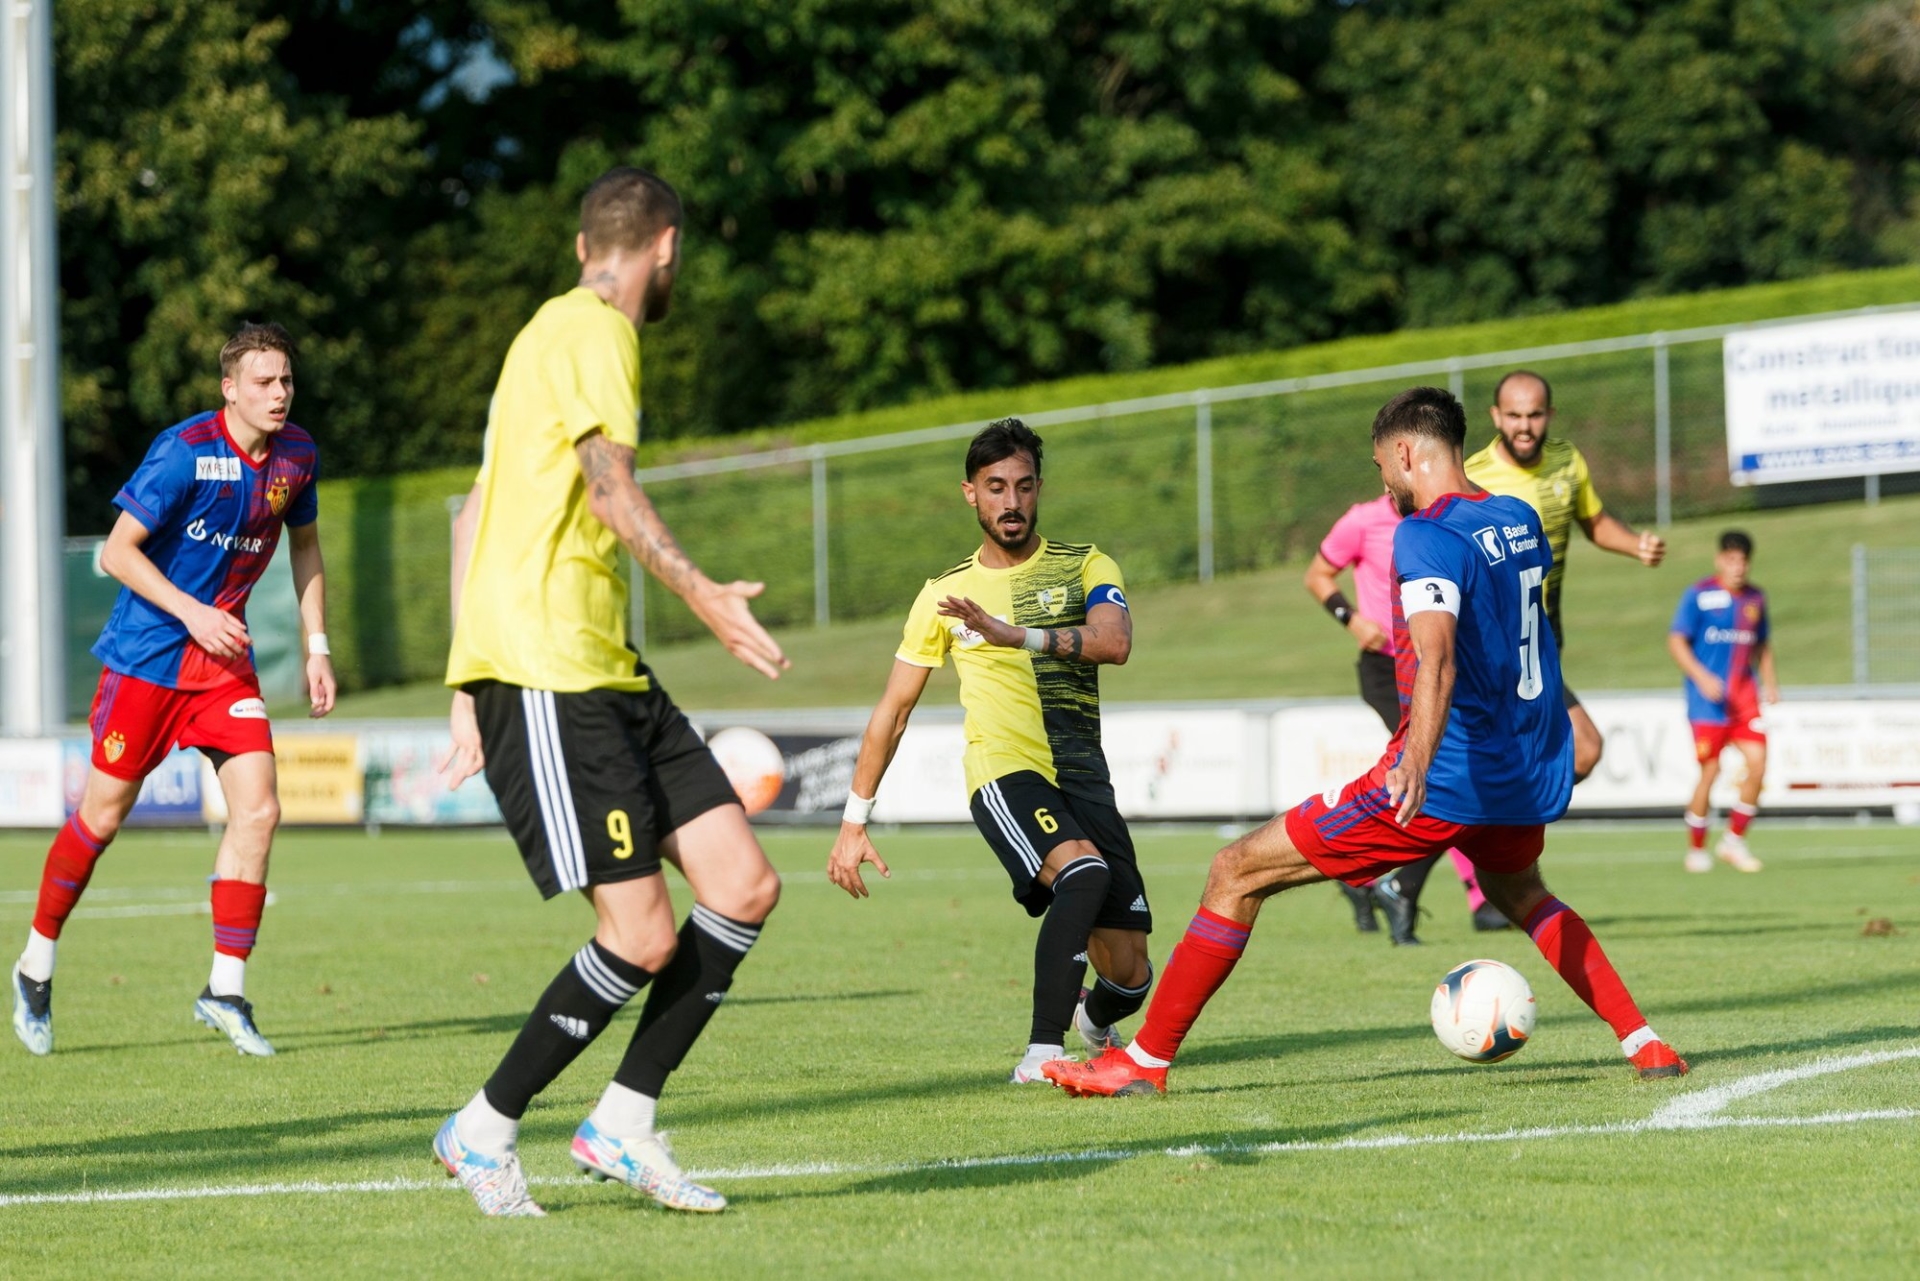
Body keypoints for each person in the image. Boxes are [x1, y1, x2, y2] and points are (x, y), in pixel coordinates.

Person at [1045, 386, 1688, 1098]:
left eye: (1383, 465)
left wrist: (1414, 759)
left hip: (1443, 775)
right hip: (1518, 775)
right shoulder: (1518, 515)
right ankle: (1647, 1043)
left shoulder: (1424, 535)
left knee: (1236, 870)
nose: (1383, 483)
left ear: (1407, 452)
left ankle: (1144, 1063)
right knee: (1524, 893)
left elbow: (1438, 657)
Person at [434, 167, 789, 1219]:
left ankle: (622, 1125)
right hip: (548, 672)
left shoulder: (540, 331)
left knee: (743, 886)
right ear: (664, 247)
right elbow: (609, 482)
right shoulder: (597, 330)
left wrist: (460, 677)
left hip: (605, 666)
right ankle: (483, 1130)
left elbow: (473, 515)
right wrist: (706, 597)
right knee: (640, 934)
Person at [10, 322, 333, 1060]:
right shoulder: (185, 451)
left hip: (222, 670)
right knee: (101, 817)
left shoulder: (299, 456)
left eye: (286, 379)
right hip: (147, 661)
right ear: (230, 388)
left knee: (261, 808)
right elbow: (116, 551)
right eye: (263, 381)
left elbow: (308, 547)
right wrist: (193, 612)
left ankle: (224, 988)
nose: (279, 393)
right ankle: (35, 962)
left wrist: (317, 647)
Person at [827, 418, 1155, 1085]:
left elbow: (1114, 642)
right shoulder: (942, 596)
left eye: (1024, 486)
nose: (1012, 501)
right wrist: (854, 819)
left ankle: (1094, 1018)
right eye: (996, 487)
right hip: (1006, 774)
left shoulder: (1085, 564)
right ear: (970, 494)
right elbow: (893, 711)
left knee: (1131, 970)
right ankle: (1041, 1053)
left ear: (1039, 490)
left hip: (1084, 778)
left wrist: (1017, 636)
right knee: (1082, 875)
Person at [1459, 370, 1666, 924]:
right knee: (1571, 750)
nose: (1525, 426)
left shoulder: (1567, 461)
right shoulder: (1473, 475)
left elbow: (1595, 522)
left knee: (1564, 757)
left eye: (1535, 415)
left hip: (1542, 643)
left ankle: (1422, 873)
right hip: (1494, 649)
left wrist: (1635, 546)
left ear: (1548, 415)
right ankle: (1493, 879)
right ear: (1495, 417)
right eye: (1514, 415)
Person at [1306, 496, 1503, 940]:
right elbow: (1316, 575)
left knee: (1448, 776)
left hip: (1439, 666)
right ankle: (1448, 892)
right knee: (1444, 773)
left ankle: (1364, 880)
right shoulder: (1362, 520)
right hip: (1387, 668)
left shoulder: (1445, 521)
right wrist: (1351, 620)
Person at [1668, 531, 1776, 873]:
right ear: (1719, 561)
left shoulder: (1756, 599)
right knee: (1710, 771)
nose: (1738, 566)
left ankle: (1733, 841)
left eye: (1743, 560)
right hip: (1707, 703)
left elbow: (1762, 645)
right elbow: (1676, 641)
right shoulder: (1699, 596)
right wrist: (1701, 677)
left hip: (1744, 698)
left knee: (1758, 762)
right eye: (1731, 559)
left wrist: (1770, 683)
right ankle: (1696, 849)